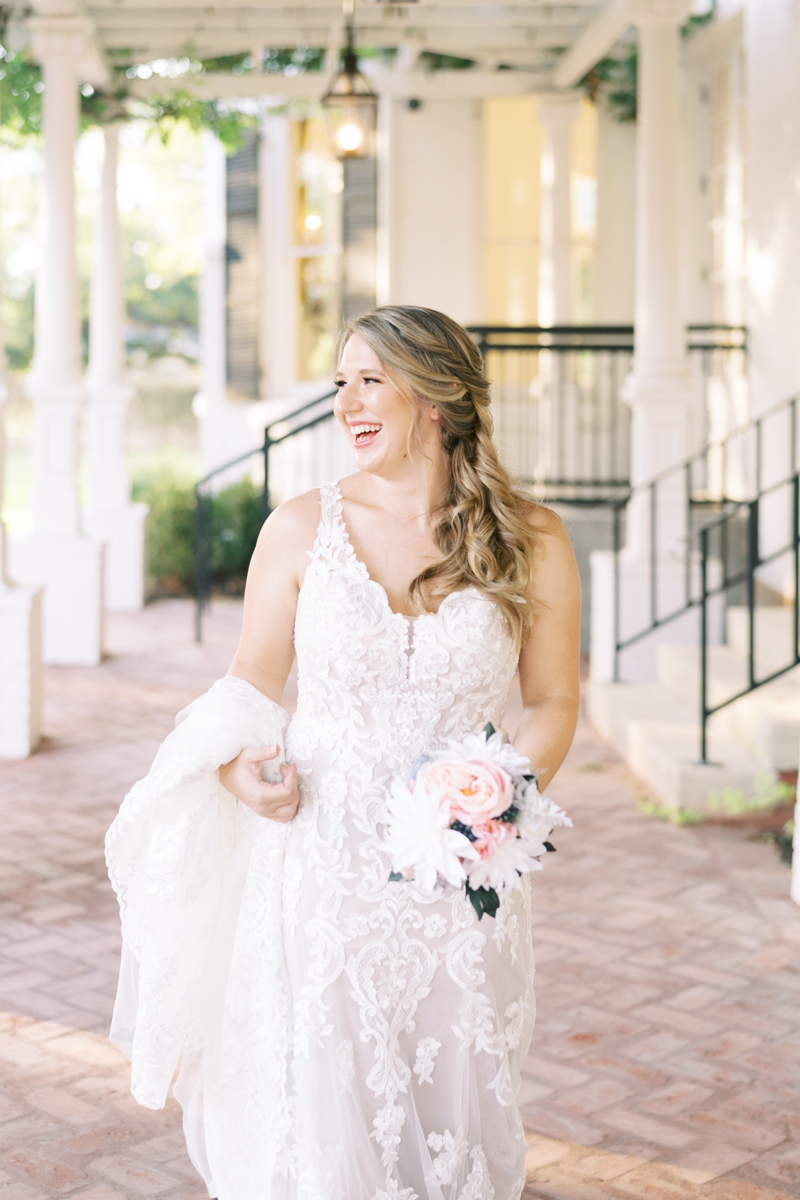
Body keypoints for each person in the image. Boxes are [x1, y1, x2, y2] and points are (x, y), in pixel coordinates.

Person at [106, 305, 581, 1200]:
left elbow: (554, 700)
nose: (347, 404)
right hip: (318, 870)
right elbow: (250, 686)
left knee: (450, 1102)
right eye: (339, 384)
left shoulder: (533, 537)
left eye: (371, 380)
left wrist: (500, 797)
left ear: (437, 398)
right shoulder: (298, 529)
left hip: (457, 878)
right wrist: (236, 768)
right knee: (325, 1101)